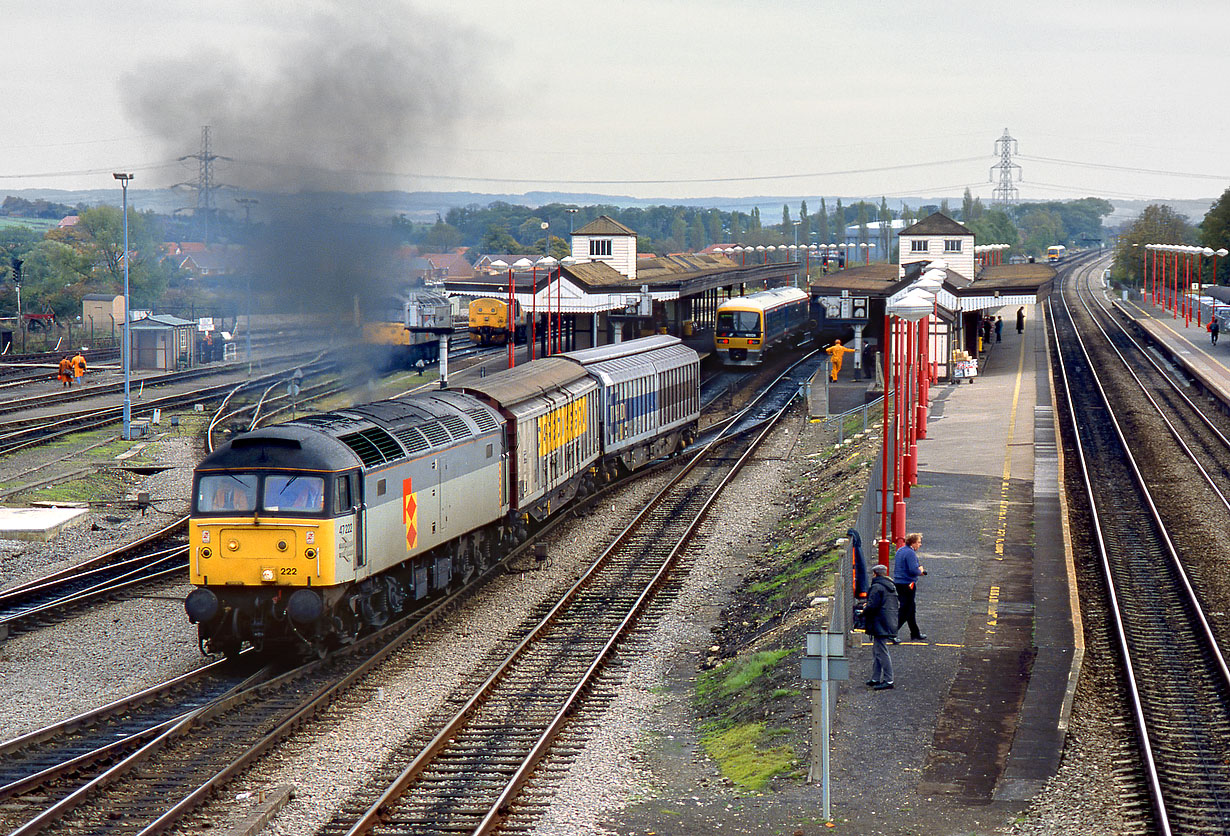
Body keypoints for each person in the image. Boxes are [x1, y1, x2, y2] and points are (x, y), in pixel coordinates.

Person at [864, 563, 899, 690]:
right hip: (888, 621)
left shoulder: (877, 587)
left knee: (881, 652)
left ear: (875, 574)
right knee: (877, 650)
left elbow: (872, 605)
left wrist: (864, 610)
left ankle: (889, 680)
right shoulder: (890, 586)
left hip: (879, 623)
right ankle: (875, 677)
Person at [894, 532, 927, 642]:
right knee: (906, 609)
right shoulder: (910, 553)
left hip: (898, 582)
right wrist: (920, 571)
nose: (920, 544)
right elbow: (913, 570)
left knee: (911, 608)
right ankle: (892, 631)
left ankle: (915, 632)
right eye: (918, 542)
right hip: (907, 583)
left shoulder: (900, 551)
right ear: (913, 543)